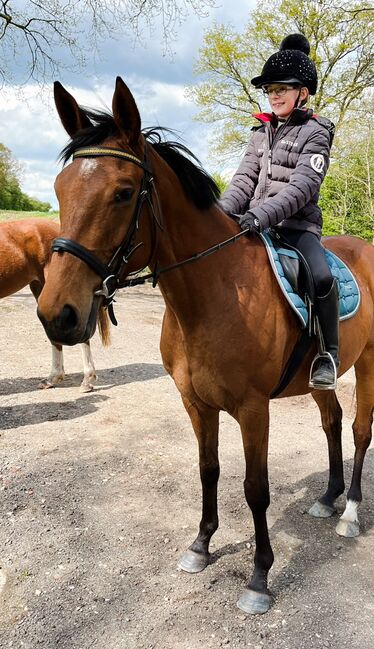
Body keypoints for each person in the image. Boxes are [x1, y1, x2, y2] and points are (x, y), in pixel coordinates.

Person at [220, 33, 339, 390]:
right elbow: (243, 180)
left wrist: (260, 215)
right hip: (256, 224)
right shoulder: (261, 133)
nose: (274, 94)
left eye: (282, 87)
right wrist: (220, 216)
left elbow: (302, 188)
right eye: (270, 88)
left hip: (298, 228)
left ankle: (328, 354)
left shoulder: (316, 133)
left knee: (320, 277)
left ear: (303, 92)